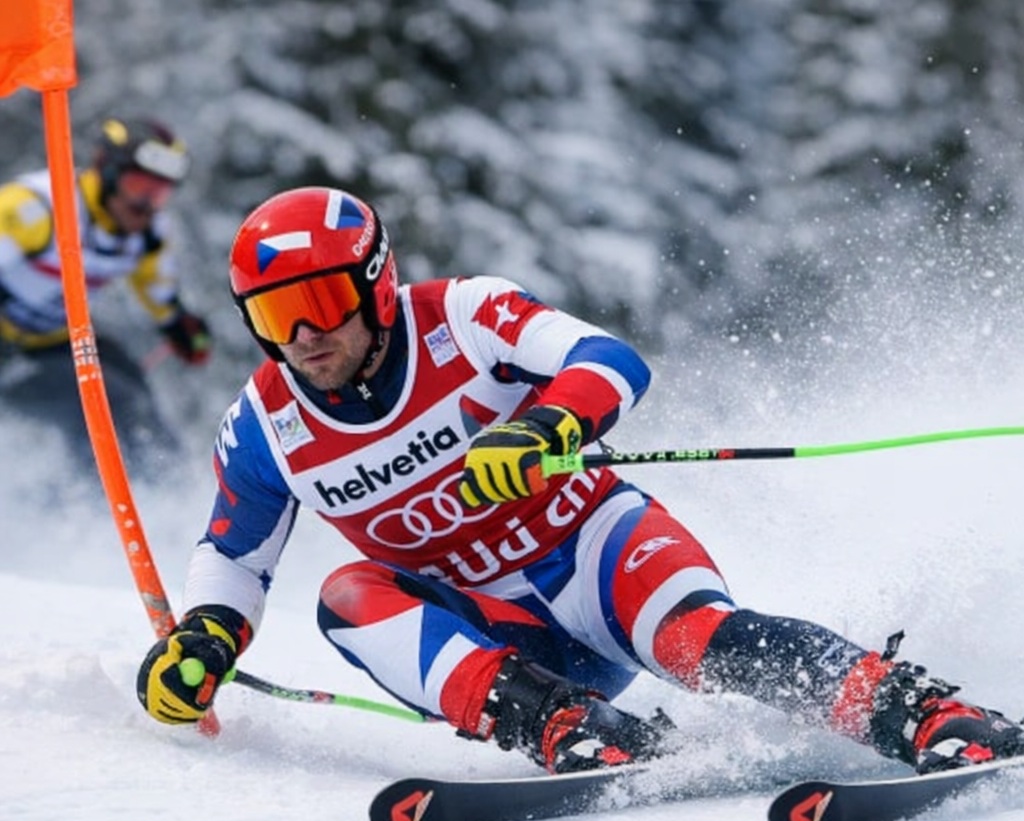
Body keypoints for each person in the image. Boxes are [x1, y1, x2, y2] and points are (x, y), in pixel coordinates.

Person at [137, 185, 1024, 778]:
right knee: (346, 594)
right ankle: (569, 731)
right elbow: (234, 555)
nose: (302, 337)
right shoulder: (267, 424)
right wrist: (205, 639)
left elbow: (607, 358)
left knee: (695, 642)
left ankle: (922, 713)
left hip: (597, 555)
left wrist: (544, 424)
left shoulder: (463, 316)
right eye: (273, 316)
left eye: (321, 304)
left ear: (376, 284)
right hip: (498, 632)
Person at [0, 116, 212, 473]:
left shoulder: (146, 232)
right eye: (138, 186)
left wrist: (179, 324)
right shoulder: (39, 208)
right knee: (112, 403)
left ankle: (176, 488)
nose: (146, 204)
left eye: (159, 193)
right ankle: (92, 506)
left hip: (55, 341)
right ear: (108, 172)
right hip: (9, 353)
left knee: (135, 385)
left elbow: (156, 287)